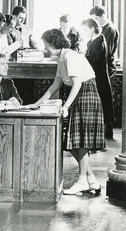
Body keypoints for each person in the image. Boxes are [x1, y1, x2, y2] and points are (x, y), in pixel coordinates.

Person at [32, 28, 104, 195]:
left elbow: (77, 84)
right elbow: (55, 86)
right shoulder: (61, 58)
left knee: (81, 141)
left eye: (46, 44)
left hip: (87, 94)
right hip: (79, 96)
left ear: (53, 44)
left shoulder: (70, 56)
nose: (45, 48)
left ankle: (81, 181)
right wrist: (35, 104)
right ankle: (90, 179)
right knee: (72, 141)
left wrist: (65, 107)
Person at [80, 17, 114, 140]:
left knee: (103, 105)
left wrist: (82, 58)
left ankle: (104, 133)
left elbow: (93, 60)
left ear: (93, 28)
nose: (84, 33)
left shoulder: (100, 42)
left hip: (100, 78)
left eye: (86, 30)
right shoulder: (92, 42)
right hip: (95, 76)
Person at [89, 5, 119, 139]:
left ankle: (108, 131)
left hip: (107, 69)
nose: (95, 22)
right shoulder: (103, 30)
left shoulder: (110, 30)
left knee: (106, 99)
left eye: (96, 18)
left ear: (103, 16)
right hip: (101, 68)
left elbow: (106, 53)